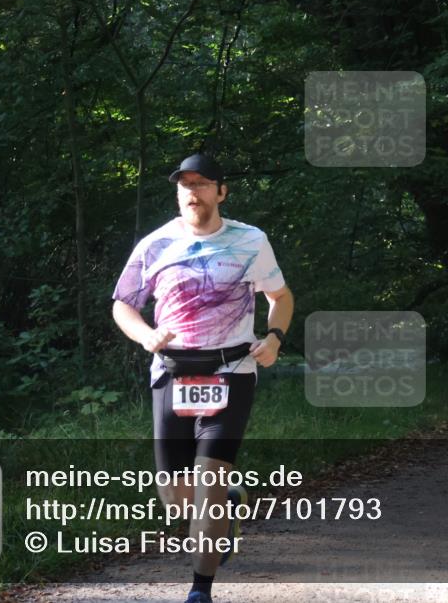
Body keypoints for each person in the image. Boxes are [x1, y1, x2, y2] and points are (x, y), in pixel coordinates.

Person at [111, 152, 293, 603]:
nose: (193, 192)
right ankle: (229, 504)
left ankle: (200, 590)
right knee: (175, 498)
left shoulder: (251, 241)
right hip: (171, 373)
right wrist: (146, 336)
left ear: (221, 191)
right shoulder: (154, 245)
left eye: (202, 183)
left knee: (209, 480)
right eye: (185, 185)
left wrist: (273, 338)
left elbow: (281, 296)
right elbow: (122, 303)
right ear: (177, 193)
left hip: (231, 370)